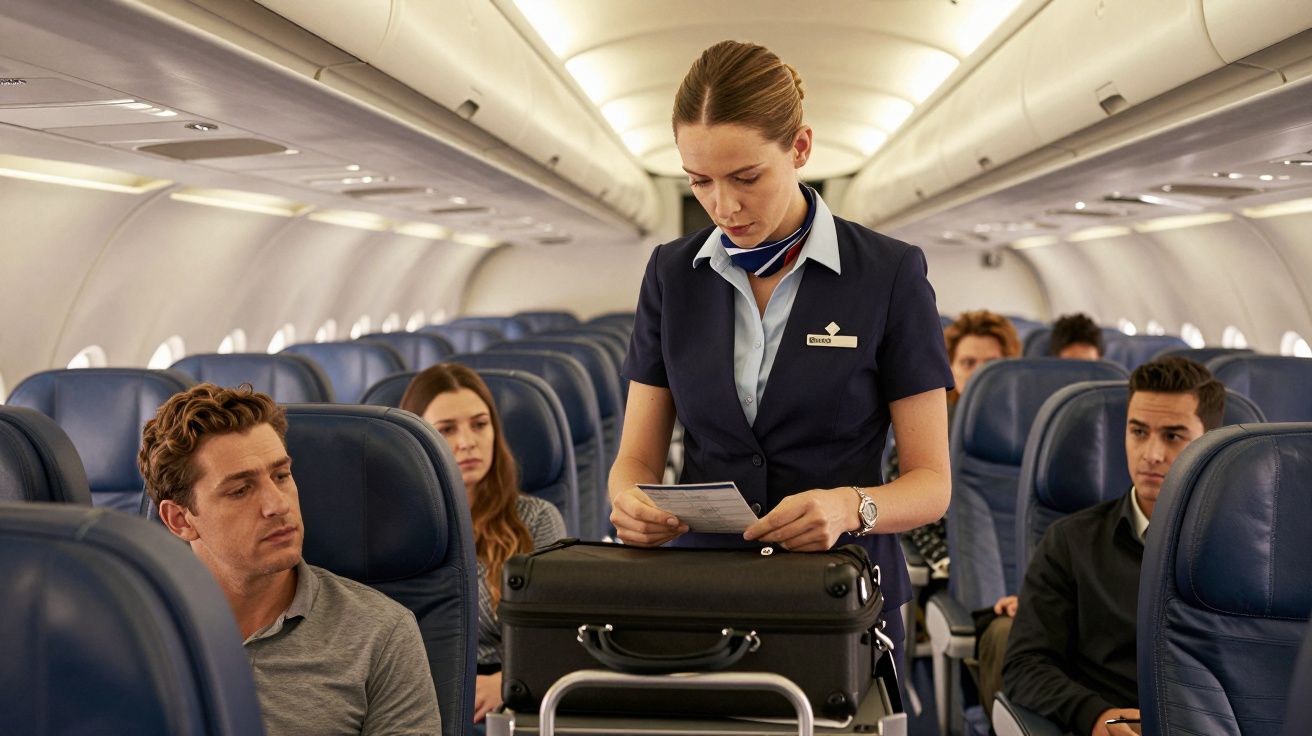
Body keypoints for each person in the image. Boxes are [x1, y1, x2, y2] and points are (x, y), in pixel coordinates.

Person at [609, 39, 953, 685]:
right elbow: (635, 458)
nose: (722, 207)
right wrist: (629, 502)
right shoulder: (672, 274)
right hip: (705, 585)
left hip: (841, 586)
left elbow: (932, 483)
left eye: (745, 177)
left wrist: (853, 507)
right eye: (699, 181)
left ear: (799, 149)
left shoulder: (887, 272)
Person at [138, 383, 441, 736]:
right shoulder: (132, 635)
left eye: (281, 476)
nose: (278, 505)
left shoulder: (380, 633)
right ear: (180, 519)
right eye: (240, 490)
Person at [1000, 357, 1225, 736]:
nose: (1151, 454)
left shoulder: (1248, 556)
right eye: (1138, 431)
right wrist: (1094, 715)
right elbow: (1025, 665)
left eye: (1173, 436)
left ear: (1209, 444)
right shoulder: (1072, 542)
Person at [399, 363, 566, 728]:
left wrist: (506, 681)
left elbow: (554, 637)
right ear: (419, 441)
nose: (467, 442)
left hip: (503, 691)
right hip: (407, 689)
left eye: (479, 424)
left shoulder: (535, 519)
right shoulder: (390, 528)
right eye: (446, 429)